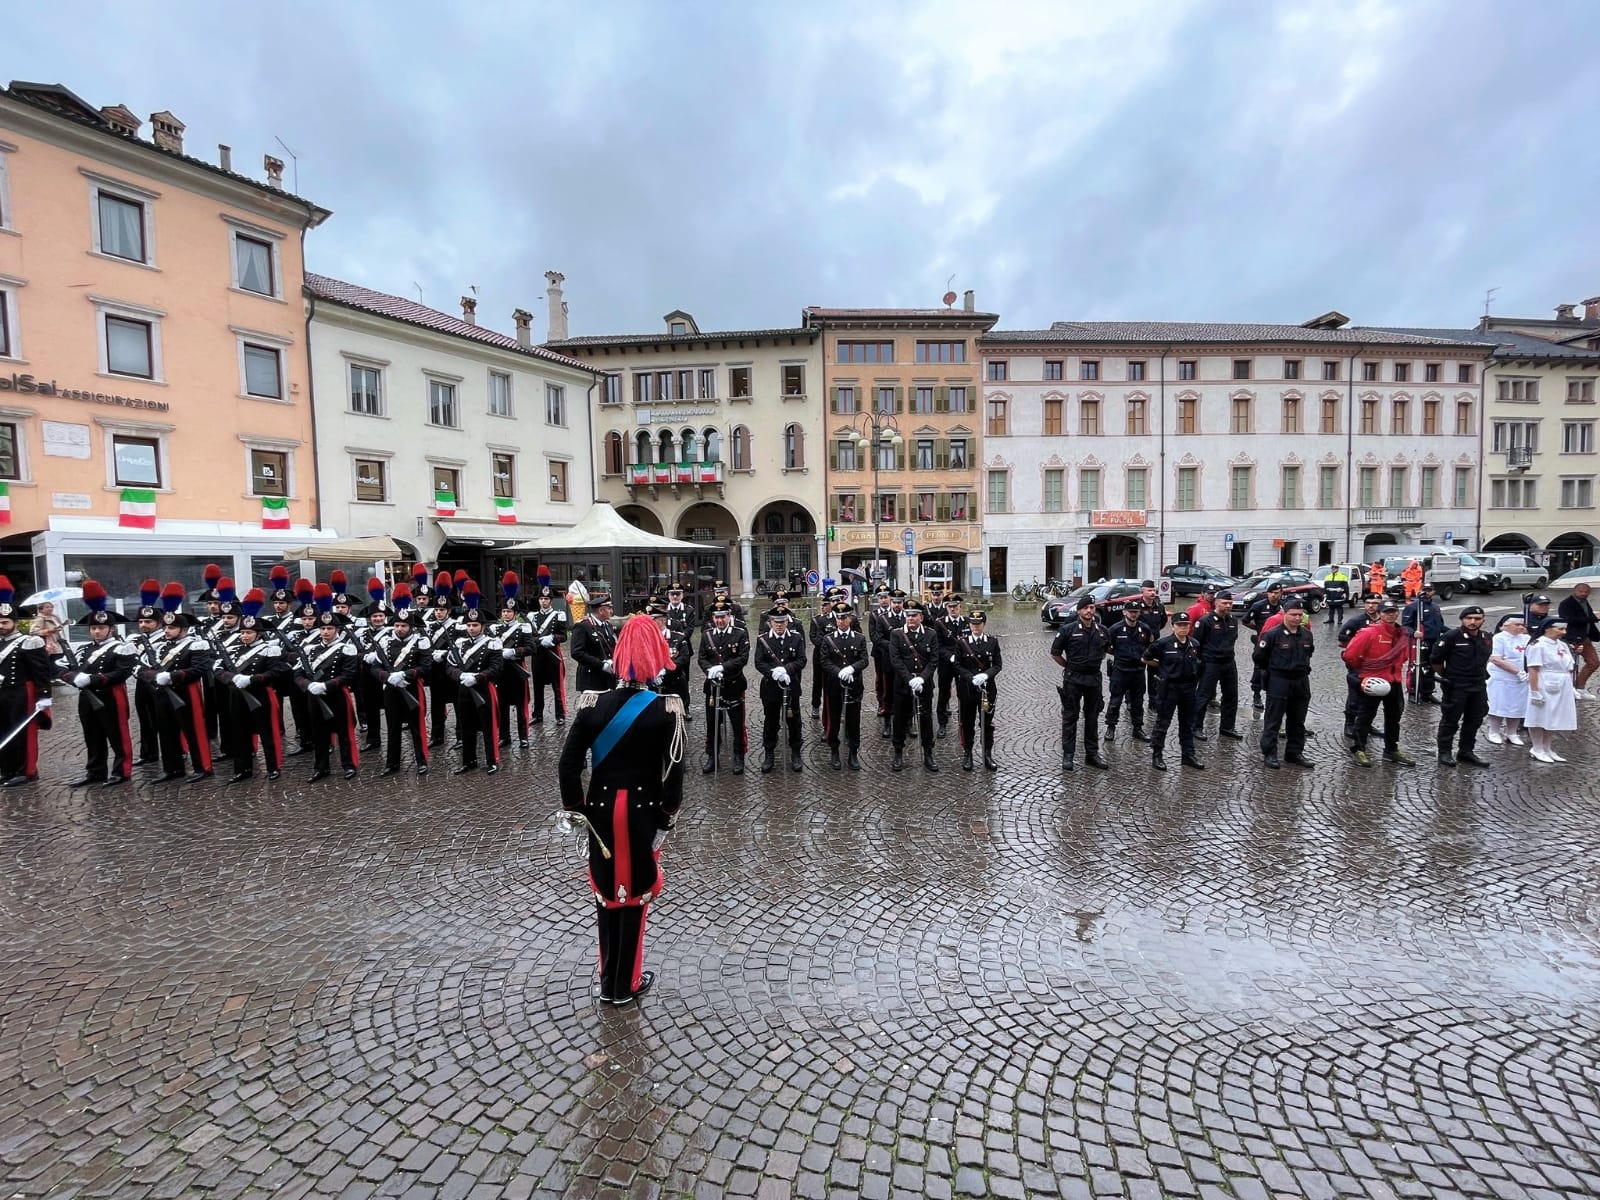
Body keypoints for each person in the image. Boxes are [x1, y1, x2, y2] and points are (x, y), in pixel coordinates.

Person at [558, 614, 686, 1006]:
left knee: (606, 893)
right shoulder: (666, 708)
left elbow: (567, 765)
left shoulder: (592, 704)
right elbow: (674, 776)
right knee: (635, 896)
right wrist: (665, 819)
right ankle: (623, 985)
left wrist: (577, 812)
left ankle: (607, 976)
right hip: (642, 815)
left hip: (599, 813)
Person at [60, 582, 137, 788]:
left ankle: (122, 771)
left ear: (110, 629)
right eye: (93, 628)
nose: (96, 631)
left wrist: (93, 679)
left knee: (117, 734)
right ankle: (95, 771)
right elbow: (61, 668)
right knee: (92, 735)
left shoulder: (122, 648)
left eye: (101, 628)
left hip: (111, 696)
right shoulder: (83, 650)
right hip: (87, 698)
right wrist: (72, 678)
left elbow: (122, 673)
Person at [140, 596, 215, 782]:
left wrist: (172, 677)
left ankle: (203, 767)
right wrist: (154, 676)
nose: (166, 631)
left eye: (171, 628)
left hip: (186, 692)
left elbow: (199, 669)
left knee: (193, 730)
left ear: (184, 629)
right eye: (165, 627)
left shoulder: (196, 645)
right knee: (166, 731)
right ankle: (172, 768)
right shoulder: (161, 647)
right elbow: (145, 668)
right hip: (163, 693)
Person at [1342, 601, 1415, 769]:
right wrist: (1365, 673)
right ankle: (1359, 748)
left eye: (1393, 611)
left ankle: (1391, 749)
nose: (1391, 614)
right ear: (1380, 614)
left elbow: (1404, 656)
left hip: (1394, 680)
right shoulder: (1369, 633)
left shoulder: (1402, 634)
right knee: (1365, 716)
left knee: (1394, 718)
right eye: (1386, 612)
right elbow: (1350, 655)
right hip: (1372, 681)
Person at [223, 611, 292, 783]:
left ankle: (273, 767)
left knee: (267, 731)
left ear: (258, 634)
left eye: (248, 632)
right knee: (239, 733)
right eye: (242, 632)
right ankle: (242, 768)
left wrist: (253, 679)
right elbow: (218, 670)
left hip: (260, 694)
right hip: (237, 696)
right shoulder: (232, 650)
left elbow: (277, 670)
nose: (244, 636)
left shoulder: (270, 649)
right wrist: (232, 678)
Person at [295, 610, 360, 781]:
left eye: (329, 628)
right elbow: (298, 674)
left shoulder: (347, 649)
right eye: (322, 628)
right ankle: (321, 767)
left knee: (344, 731)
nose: (325, 632)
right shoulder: (310, 650)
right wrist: (309, 686)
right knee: (319, 732)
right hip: (315, 697)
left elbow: (348, 675)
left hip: (337, 695)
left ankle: (349, 764)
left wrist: (325, 685)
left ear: (337, 629)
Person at [1050, 596, 1111, 772]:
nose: (1089, 611)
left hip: (1093, 680)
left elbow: (1106, 650)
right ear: (1079, 611)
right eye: (1086, 608)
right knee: (1070, 717)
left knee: (1092, 718)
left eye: (1092, 607)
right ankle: (1068, 755)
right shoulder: (1068, 630)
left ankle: (1092, 754)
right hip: (1073, 679)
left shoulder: (1102, 630)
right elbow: (1055, 653)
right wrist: (1068, 666)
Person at [374, 596, 432, 776]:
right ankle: (392, 763)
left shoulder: (420, 642)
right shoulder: (385, 642)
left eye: (403, 626)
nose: (399, 629)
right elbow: (375, 667)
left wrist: (406, 675)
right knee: (392, 727)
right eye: (397, 625)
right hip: (391, 689)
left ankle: (422, 761)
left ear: (410, 627)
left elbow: (426, 667)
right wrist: (386, 677)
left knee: (417, 727)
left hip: (412, 688)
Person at [1253, 600, 1314, 770]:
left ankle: (1294, 753)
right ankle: (1270, 753)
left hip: (1300, 681)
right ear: (1284, 614)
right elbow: (1259, 657)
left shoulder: (1306, 635)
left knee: (1297, 720)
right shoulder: (1272, 635)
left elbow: (1309, 653)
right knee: (1273, 719)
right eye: (1293, 615)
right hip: (1279, 680)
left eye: (1299, 615)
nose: (1296, 618)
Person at [1430, 605, 1493, 767]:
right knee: (1451, 719)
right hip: (1456, 685)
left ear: (1483, 620)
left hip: (1478, 684)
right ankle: (1444, 751)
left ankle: (1466, 751)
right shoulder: (1451, 636)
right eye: (1469, 618)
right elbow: (1436, 660)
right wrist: (1447, 676)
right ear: (1462, 620)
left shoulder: (1486, 637)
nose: (1473, 622)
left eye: (1477, 619)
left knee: (1475, 719)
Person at [447, 605, 504, 774]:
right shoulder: (459, 643)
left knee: (488, 726)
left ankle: (492, 760)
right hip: (464, 689)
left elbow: (496, 668)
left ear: (483, 626)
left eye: (475, 625)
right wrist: (459, 676)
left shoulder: (492, 643)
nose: (471, 628)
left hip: (484, 689)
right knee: (467, 726)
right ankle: (468, 761)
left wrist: (477, 677)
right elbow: (449, 666)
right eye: (469, 625)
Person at [1145, 611, 1205, 772]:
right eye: (1180, 625)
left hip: (1188, 688)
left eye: (1186, 625)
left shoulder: (1194, 644)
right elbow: (1146, 658)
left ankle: (1188, 754)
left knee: (1187, 723)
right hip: (1169, 687)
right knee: (1163, 722)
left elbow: (1198, 664)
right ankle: (1157, 754)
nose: (1183, 628)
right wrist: (1163, 668)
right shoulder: (1163, 644)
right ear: (1173, 626)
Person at [889, 600, 942, 773]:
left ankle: (928, 753)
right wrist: (909, 679)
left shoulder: (931, 634)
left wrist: (922, 678)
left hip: (924, 685)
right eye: (908, 615)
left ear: (921, 617)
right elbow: (895, 659)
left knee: (926, 718)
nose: (910, 618)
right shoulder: (897, 634)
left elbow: (934, 659)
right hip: (902, 685)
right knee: (900, 718)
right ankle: (898, 752)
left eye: (914, 615)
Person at [697, 601, 749, 774]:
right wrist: (709, 670)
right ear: (712, 619)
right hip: (713, 687)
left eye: (723, 617)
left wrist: (723, 668)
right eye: (716, 617)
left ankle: (738, 756)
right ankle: (712, 756)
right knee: (712, 724)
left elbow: (743, 658)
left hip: (733, 684)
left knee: (737, 724)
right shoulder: (707, 635)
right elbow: (702, 658)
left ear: (729, 616)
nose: (719, 621)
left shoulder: (740, 634)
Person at [753, 606, 806, 773]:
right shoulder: (763, 639)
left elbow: (802, 659)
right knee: (771, 721)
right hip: (771, 686)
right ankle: (769, 754)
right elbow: (758, 662)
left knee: (794, 721)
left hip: (791, 686)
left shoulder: (796, 638)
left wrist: (787, 669)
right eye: (776, 622)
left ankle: (796, 753)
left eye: (782, 622)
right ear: (770, 622)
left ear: (787, 622)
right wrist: (772, 672)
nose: (779, 625)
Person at [951, 607, 1001, 771]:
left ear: (984, 624)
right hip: (968, 689)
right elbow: (957, 665)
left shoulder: (992, 642)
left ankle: (987, 754)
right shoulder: (962, 642)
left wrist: (986, 675)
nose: (975, 627)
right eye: (973, 624)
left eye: (978, 624)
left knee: (987, 723)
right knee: (967, 722)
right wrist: (970, 677)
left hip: (987, 689)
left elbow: (998, 664)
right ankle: (968, 753)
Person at [1524, 616, 1578, 763]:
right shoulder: (1538, 645)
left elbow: (1568, 666)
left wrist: (1571, 686)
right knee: (1539, 716)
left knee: (1554, 717)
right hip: (1544, 682)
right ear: (1547, 628)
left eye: (1565, 629)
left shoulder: (1562, 645)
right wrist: (1534, 691)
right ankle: (1537, 748)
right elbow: (1533, 669)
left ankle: (1547, 747)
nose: (1563, 632)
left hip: (1562, 683)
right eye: (1560, 629)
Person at [1193, 591, 1243, 740]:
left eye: (1230, 603)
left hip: (1228, 662)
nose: (1228, 606)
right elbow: (1196, 644)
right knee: (1203, 696)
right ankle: (1195, 727)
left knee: (1231, 695)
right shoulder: (1205, 621)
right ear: (1216, 603)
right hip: (1211, 663)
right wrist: (1199, 664)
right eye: (1224, 603)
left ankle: (1227, 727)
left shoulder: (1233, 620)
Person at [1103, 600, 1152, 743]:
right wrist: (1119, 654)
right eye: (1130, 612)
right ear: (1124, 612)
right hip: (1120, 670)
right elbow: (1106, 646)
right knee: (1115, 701)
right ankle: (1110, 727)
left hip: (1138, 671)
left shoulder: (1144, 629)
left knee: (1138, 702)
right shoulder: (1115, 629)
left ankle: (1137, 728)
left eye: (1136, 612)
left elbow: (1149, 647)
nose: (1133, 614)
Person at [1485, 615, 1531, 747]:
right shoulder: (1499, 638)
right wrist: (1517, 671)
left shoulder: (1527, 639)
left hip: (1521, 679)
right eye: (1517, 625)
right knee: (1499, 705)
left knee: (1517, 706)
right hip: (1502, 678)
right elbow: (1496, 659)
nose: (1521, 627)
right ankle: (1494, 731)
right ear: (1506, 625)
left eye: (1523, 625)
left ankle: (1512, 732)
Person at [528, 586, 570, 724]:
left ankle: (560, 715)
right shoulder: (533, 617)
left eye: (546, 599)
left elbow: (564, 636)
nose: (543, 601)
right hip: (538, 655)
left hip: (552, 655)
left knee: (557, 686)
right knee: (537, 686)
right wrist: (540, 640)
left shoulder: (558, 615)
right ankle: (537, 714)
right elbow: (530, 637)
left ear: (551, 600)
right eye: (541, 599)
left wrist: (553, 638)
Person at [870, 587, 906, 739]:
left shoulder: (908, 616)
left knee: (905, 691)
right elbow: (877, 637)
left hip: (905, 661)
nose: (897, 605)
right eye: (894, 602)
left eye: (900, 602)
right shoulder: (881, 617)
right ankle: (887, 722)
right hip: (887, 659)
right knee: (887, 691)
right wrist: (893, 647)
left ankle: (908, 721)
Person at [932, 593, 969, 738]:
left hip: (962, 664)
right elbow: (938, 645)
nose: (953, 609)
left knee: (964, 693)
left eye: (955, 606)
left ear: (960, 607)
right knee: (943, 694)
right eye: (950, 607)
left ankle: (964, 721)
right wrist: (950, 656)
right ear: (946, 607)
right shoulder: (940, 623)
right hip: (946, 664)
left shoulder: (966, 622)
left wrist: (960, 657)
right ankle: (942, 723)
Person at [1401, 584, 1445, 701]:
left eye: (1429, 590)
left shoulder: (1435, 607)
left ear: (1433, 592)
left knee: (1430, 667)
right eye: (1424, 590)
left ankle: (1427, 692)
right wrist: (1413, 632)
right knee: (1415, 666)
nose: (1426, 592)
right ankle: (1412, 691)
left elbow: (1440, 625)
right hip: (1418, 641)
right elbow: (1405, 626)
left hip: (1434, 641)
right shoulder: (1413, 607)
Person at [1243, 582, 1284, 709]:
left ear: (1281, 593)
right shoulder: (1258, 606)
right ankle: (1256, 694)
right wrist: (1259, 630)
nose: (1273, 595)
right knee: (1259, 669)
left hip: (1279, 644)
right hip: (1263, 642)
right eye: (1271, 593)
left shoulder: (1283, 607)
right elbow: (1245, 621)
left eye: (1276, 593)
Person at [1557, 582, 1599, 698]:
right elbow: (1568, 620)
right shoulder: (1567, 603)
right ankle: (1570, 689)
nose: (1583, 594)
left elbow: (1587, 618)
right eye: (1581, 591)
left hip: (1585, 637)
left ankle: (1579, 687)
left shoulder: (1584, 602)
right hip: (1572, 637)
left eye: (1586, 592)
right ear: (1574, 591)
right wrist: (1594, 618)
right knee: (1570, 665)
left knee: (1593, 662)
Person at [570, 592, 617, 693]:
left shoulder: (607, 625)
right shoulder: (583, 626)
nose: (611, 611)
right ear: (601, 611)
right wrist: (601, 665)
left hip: (608, 678)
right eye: (609, 608)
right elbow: (577, 653)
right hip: (591, 679)